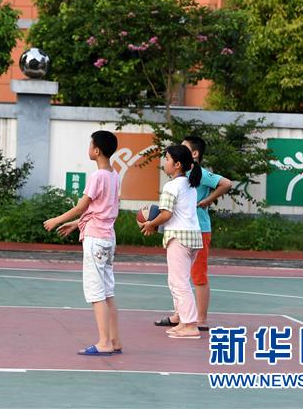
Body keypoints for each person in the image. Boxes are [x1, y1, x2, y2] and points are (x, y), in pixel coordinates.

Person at [43, 130, 122, 356]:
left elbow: (82, 207)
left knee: (96, 293)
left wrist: (57, 220)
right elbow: (101, 210)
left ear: (96, 150)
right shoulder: (115, 175)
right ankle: (115, 340)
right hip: (108, 238)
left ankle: (104, 342)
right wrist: (76, 224)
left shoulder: (98, 176)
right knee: (108, 293)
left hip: (96, 240)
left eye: (90, 145)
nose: (88, 148)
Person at [154, 136, 232, 331]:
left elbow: (226, 183)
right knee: (178, 277)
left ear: (194, 154)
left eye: (184, 147)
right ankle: (180, 315)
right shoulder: (182, 178)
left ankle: (200, 319)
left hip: (197, 229)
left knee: (196, 276)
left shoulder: (200, 174)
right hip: (183, 229)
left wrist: (208, 200)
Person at [140, 144, 203, 339]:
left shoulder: (171, 186)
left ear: (177, 164)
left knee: (179, 282)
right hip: (193, 237)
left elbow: (166, 214)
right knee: (178, 280)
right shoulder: (190, 185)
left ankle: (190, 325)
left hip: (179, 238)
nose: (164, 162)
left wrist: (151, 224)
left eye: (167, 159)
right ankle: (183, 321)